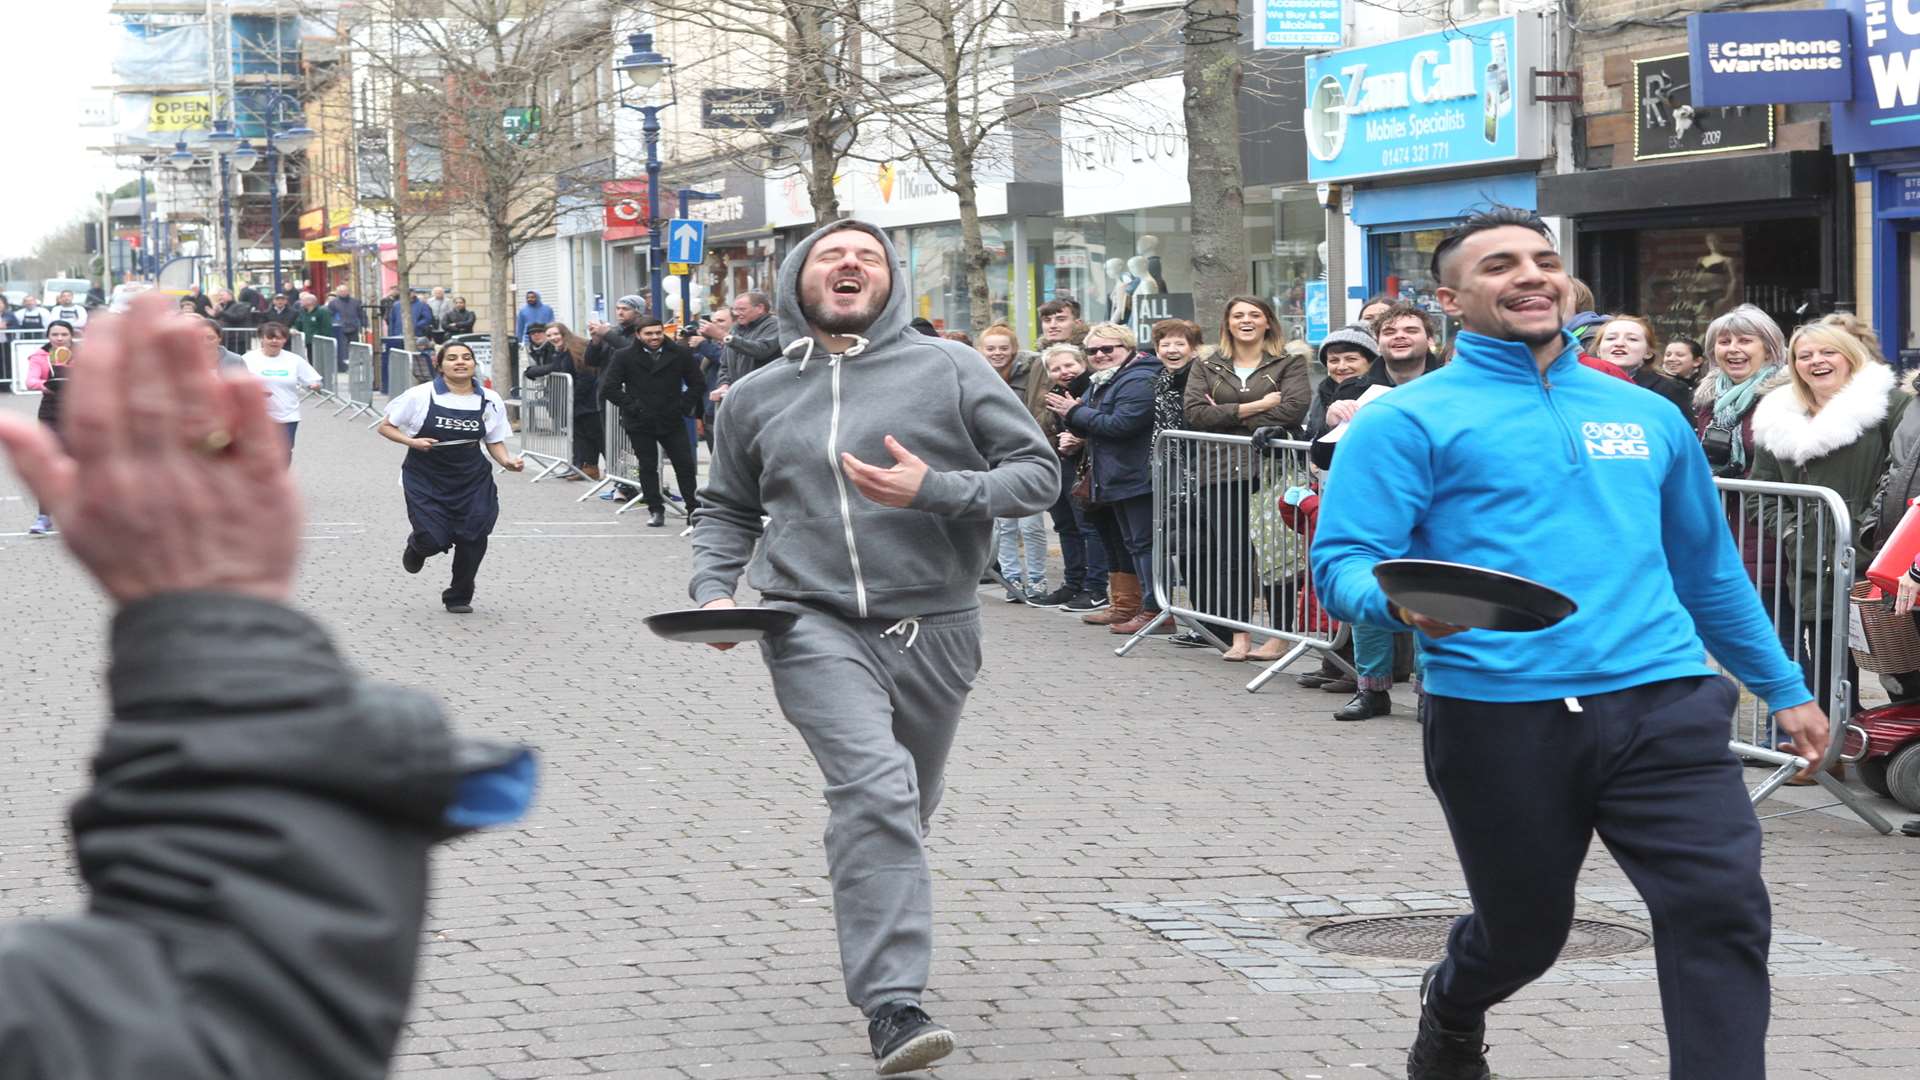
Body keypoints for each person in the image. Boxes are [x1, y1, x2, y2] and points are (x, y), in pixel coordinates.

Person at [1311, 206, 1828, 1080]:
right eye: (1499, 264)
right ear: (1450, 298)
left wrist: (1783, 685)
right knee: (1524, 935)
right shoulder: (1409, 419)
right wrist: (1409, 608)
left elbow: (1705, 569)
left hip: (1664, 703)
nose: (1530, 275)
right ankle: (1454, 1004)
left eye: (1543, 260)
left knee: (1721, 910)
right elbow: (1345, 563)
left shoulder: (1646, 414)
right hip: (1500, 715)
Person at [0, 296, 534, 1080]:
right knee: (437, 533)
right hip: (402, 486)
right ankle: (425, 550)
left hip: (344, 456)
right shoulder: (416, 394)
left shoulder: (470, 396)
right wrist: (209, 611)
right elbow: (247, 1006)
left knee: (468, 538)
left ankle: (449, 565)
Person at [688, 219, 1056, 1075]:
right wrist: (714, 589)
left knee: (902, 807)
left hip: (937, 624)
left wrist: (938, 489)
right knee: (876, 791)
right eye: (830, 255)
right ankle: (894, 1004)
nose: (850, 264)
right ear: (796, 280)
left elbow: (1037, 474)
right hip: (807, 619)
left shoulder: (951, 367)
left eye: (869, 256)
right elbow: (729, 509)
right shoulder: (756, 394)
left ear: (890, 280)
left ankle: (872, 870)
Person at [1748, 315, 1909, 740]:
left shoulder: (1891, 405)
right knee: (1825, 656)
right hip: (1810, 558)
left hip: (1880, 555)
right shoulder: (1776, 414)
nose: (1815, 361)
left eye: (1827, 351)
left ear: (1850, 356)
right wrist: (1789, 530)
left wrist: (1869, 526)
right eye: (1804, 355)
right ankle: (1830, 747)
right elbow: (1758, 490)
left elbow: (1905, 473)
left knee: (1896, 659)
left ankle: (1898, 743)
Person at [1182, 295, 1311, 661]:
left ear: (1268, 321)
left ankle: (1278, 636)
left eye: (1254, 314)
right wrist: (1257, 406)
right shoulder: (1207, 363)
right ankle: (1240, 634)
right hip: (1221, 470)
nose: (1246, 320)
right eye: (1238, 315)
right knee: (1233, 555)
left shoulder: (1290, 361)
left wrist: (1225, 412)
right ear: (1227, 323)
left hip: (1272, 471)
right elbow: (1194, 414)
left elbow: (1293, 408)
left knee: (1276, 554)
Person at [375, 341, 526, 613]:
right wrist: (413, 442)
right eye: (452, 358)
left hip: (472, 477)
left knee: (475, 535)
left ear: (473, 364)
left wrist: (507, 461)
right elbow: (386, 427)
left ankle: (459, 596)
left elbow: (494, 439)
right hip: (426, 476)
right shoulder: (420, 395)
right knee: (434, 538)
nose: (460, 362)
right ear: (440, 365)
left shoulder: (489, 399)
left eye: (466, 358)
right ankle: (417, 547)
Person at [1055, 322, 1162, 636]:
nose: (1100, 355)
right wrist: (1077, 435)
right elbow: (1093, 421)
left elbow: (1122, 423)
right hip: (1111, 474)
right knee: (1124, 542)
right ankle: (1126, 605)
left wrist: (1074, 412)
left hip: (1136, 474)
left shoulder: (1139, 378)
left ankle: (1155, 609)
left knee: (1143, 544)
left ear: (1127, 348)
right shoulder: (1103, 380)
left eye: (1108, 349)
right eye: (1093, 351)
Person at [599, 316, 705, 527]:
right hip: (640, 420)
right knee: (647, 466)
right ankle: (655, 509)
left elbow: (697, 382)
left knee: (684, 464)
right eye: (649, 333)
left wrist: (683, 406)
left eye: (658, 332)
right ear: (638, 335)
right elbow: (609, 388)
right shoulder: (624, 356)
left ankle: (693, 509)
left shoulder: (679, 353)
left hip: (671, 418)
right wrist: (634, 407)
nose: (655, 337)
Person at [1030, 343, 1110, 611]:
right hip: (1058, 464)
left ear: (1082, 364)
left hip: (1085, 466)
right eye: (1056, 368)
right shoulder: (1052, 394)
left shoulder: (1093, 389)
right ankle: (1073, 583)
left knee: (1088, 527)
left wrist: (1079, 439)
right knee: (1065, 526)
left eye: (1069, 365)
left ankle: (1094, 588)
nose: (1064, 372)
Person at [979, 324, 1052, 601]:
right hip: (991, 457)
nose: (997, 353)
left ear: (1013, 348)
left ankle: (1037, 579)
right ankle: (1012, 580)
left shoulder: (1030, 374)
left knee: (1031, 525)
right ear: (982, 350)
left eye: (1003, 348)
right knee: (1004, 525)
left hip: (1023, 455)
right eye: (991, 348)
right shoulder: (977, 374)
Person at [1692, 303, 1787, 479]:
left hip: (1763, 503)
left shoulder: (1785, 398)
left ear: (1768, 351)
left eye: (1745, 341)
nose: (1733, 349)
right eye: (1724, 342)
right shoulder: (1707, 399)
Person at [523, 322, 601, 481]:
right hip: (577, 404)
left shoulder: (577, 349)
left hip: (588, 403)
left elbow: (585, 377)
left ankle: (615, 477)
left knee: (598, 439)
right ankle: (585, 468)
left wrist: (572, 399)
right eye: (550, 335)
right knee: (581, 437)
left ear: (564, 333)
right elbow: (555, 368)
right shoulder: (560, 351)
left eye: (556, 334)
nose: (553, 338)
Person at [21, 319, 77, 536]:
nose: (59, 338)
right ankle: (44, 517)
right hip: (50, 412)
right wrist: (46, 386)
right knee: (47, 463)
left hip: (79, 412)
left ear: (71, 335)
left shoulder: (82, 354)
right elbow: (30, 381)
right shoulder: (40, 356)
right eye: (55, 334)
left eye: (64, 334)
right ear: (48, 336)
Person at [241, 322, 325, 455]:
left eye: (279, 338)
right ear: (262, 339)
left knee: (284, 453)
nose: (274, 341)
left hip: (287, 415)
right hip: (257, 415)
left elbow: (315, 380)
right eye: (270, 337)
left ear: (285, 340)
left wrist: (315, 385)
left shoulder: (294, 360)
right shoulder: (248, 359)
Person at [1595, 315, 1692, 417]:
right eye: (1611, 338)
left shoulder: (1670, 389)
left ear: (1648, 352)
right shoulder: (1584, 386)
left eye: (1632, 339)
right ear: (1598, 350)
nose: (1619, 343)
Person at [704, 290, 781, 401]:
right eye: (735, 309)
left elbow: (761, 350)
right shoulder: (736, 328)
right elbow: (725, 364)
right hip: (738, 397)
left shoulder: (774, 325)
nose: (736, 313)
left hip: (765, 397)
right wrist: (724, 385)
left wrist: (725, 337)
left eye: (742, 309)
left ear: (760, 308)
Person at [1370, 301, 1445, 386]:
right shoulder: (1354, 393)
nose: (1399, 336)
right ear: (1378, 343)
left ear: (1430, 341)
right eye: (1389, 333)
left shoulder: (1453, 388)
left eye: (1411, 331)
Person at [326, 285, 364, 369]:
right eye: (341, 291)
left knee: (354, 346)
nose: (343, 293)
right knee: (342, 348)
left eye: (345, 291)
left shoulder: (356, 302)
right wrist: (335, 324)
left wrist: (364, 324)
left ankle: (355, 363)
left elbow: (361, 314)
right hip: (340, 329)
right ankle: (343, 365)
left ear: (348, 291)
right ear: (338, 292)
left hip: (353, 327)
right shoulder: (333, 303)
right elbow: (330, 315)